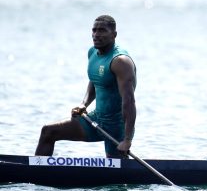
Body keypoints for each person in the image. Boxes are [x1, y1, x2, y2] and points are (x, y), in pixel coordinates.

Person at [35, 15, 137, 158]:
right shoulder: (92, 53)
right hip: (96, 119)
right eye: (94, 30)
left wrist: (127, 140)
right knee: (48, 132)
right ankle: (38, 172)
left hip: (116, 128)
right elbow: (96, 80)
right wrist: (84, 104)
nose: (96, 35)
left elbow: (129, 102)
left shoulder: (120, 62)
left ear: (114, 35)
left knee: (118, 175)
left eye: (102, 30)